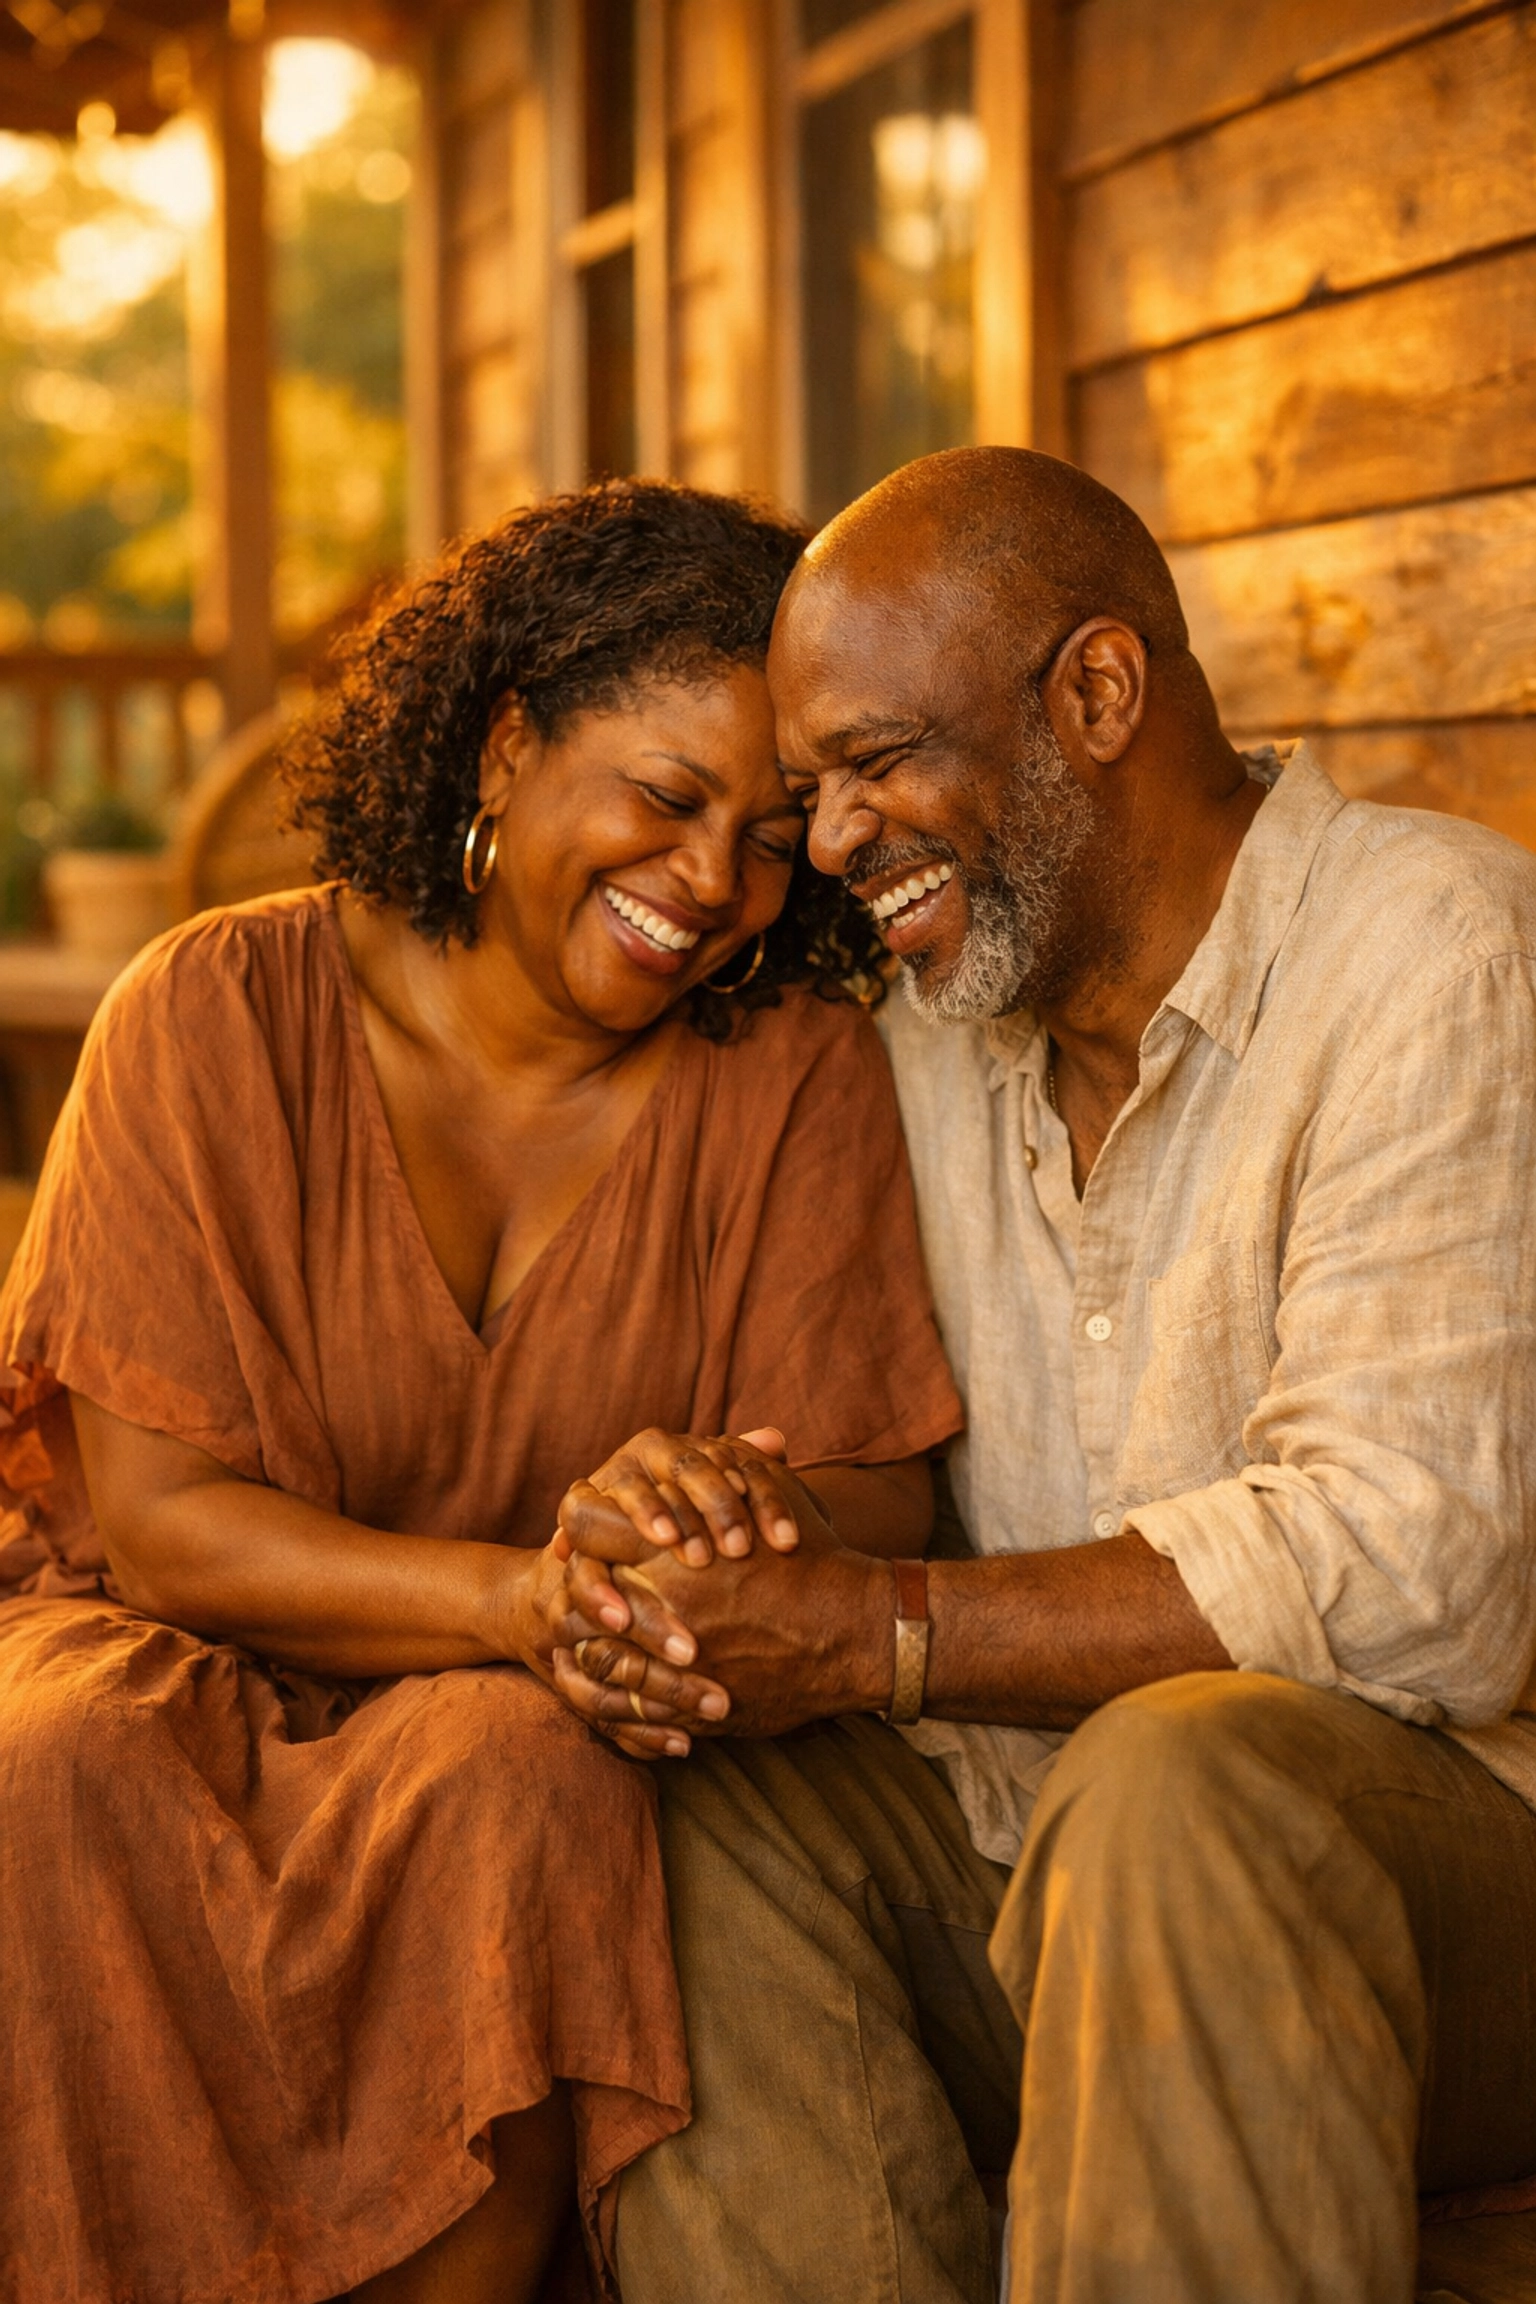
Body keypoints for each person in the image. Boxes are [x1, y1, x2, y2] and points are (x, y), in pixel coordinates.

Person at [549, 448, 1536, 2304]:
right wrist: (706, 1538)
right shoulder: (927, 1035)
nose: (828, 843)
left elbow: (1423, 1574)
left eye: (872, 763)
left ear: (1095, 694)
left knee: (1174, 1787)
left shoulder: (1435, 950)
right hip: (1029, 1868)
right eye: (810, 790)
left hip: (1448, 1882)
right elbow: (842, 1466)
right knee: (686, 1790)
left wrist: (877, 1631)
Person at [0, 480, 964, 2304]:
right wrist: (525, 1598)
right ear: (509, 746)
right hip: (180, 1651)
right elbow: (163, 1523)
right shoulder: (208, 1013)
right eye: (666, 801)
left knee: (521, 1773)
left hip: (539, 1697)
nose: (711, 887)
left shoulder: (793, 1079)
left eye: (769, 839)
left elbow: (873, 1491)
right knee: (49, 1765)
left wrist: (711, 1518)